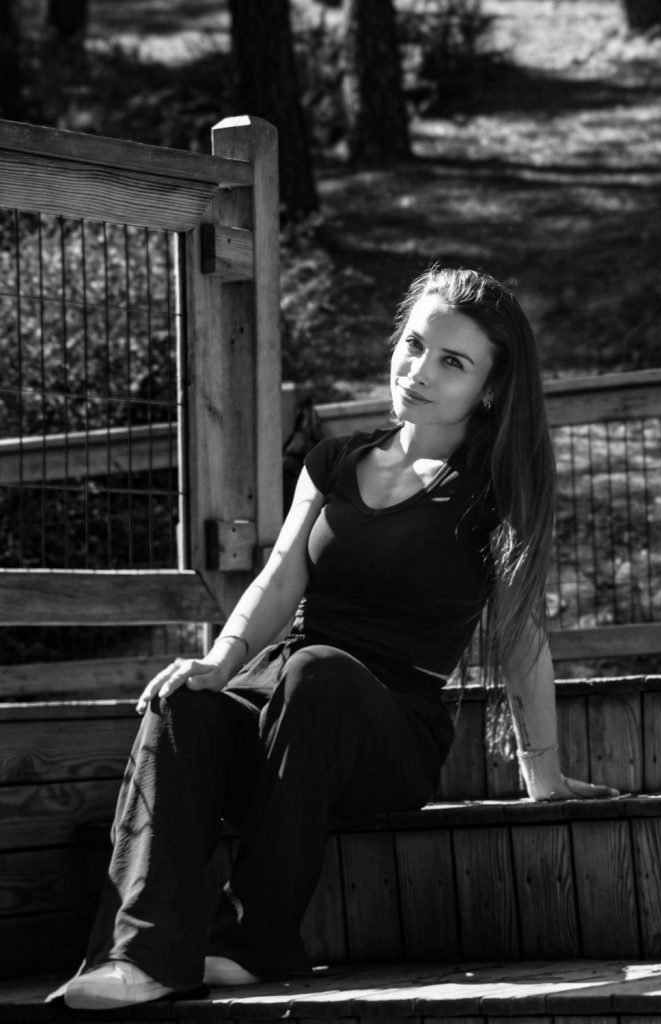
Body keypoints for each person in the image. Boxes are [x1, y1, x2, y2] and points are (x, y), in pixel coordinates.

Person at [57, 267, 618, 1010]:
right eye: (413, 344)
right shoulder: (335, 462)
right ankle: (139, 957)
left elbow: (520, 635)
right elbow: (278, 579)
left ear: (489, 388)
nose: (418, 371)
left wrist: (539, 770)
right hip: (281, 703)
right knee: (182, 704)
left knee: (317, 672)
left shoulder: (495, 486)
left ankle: (256, 939)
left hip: (384, 736)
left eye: (452, 362)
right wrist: (218, 662)